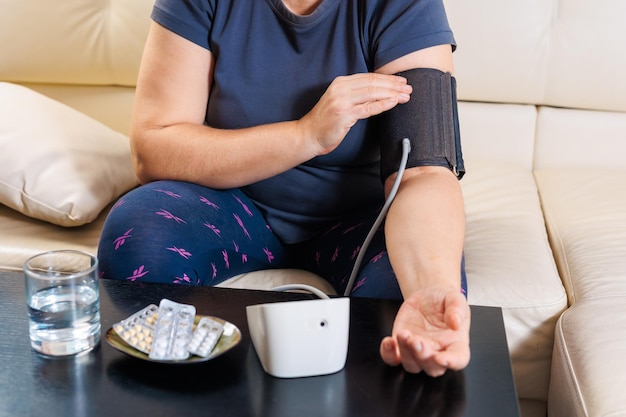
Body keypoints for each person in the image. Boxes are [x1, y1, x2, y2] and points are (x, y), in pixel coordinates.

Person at [98, 0, 471, 377]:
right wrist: (305, 135)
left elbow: (423, 172)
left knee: (409, 300)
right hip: (234, 205)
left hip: (361, 221)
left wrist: (431, 288)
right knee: (140, 230)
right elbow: (154, 148)